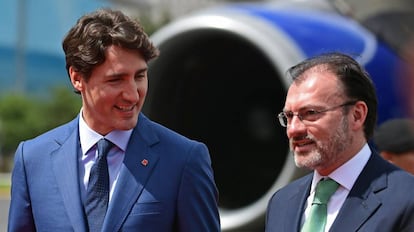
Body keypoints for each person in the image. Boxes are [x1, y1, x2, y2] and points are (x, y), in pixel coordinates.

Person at [8, 8, 220, 232]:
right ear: (77, 78)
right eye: (116, 79)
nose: (133, 94)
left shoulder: (184, 160)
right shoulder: (32, 159)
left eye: (139, 76)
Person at [265, 52, 414, 231]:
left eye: (311, 113)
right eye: (289, 116)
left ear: (357, 115)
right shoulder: (281, 203)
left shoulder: (406, 198)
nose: (294, 129)